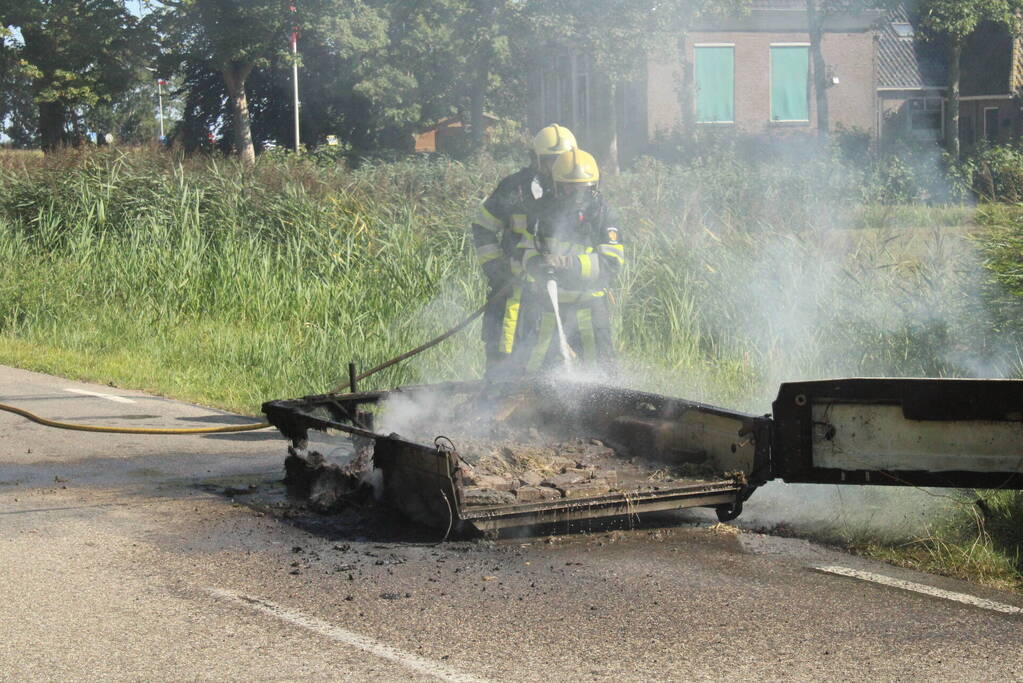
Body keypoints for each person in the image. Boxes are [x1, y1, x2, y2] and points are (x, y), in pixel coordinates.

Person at [471, 124, 577, 377]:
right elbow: (483, 226)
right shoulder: (513, 189)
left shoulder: (579, 192)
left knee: (554, 367)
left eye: (562, 160)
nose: (555, 168)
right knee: (502, 365)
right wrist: (496, 268)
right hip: (511, 294)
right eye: (550, 161)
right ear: (536, 159)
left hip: (558, 296)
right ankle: (492, 412)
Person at [512, 148, 624, 376]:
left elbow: (611, 262)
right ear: (556, 186)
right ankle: (530, 410)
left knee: (601, 375)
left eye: (584, 188)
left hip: (588, 309)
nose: (577, 195)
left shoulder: (604, 215)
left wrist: (569, 264)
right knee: (533, 372)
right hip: (547, 309)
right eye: (569, 187)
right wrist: (537, 265)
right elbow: (526, 251)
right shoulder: (541, 212)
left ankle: (601, 412)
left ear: (594, 186)